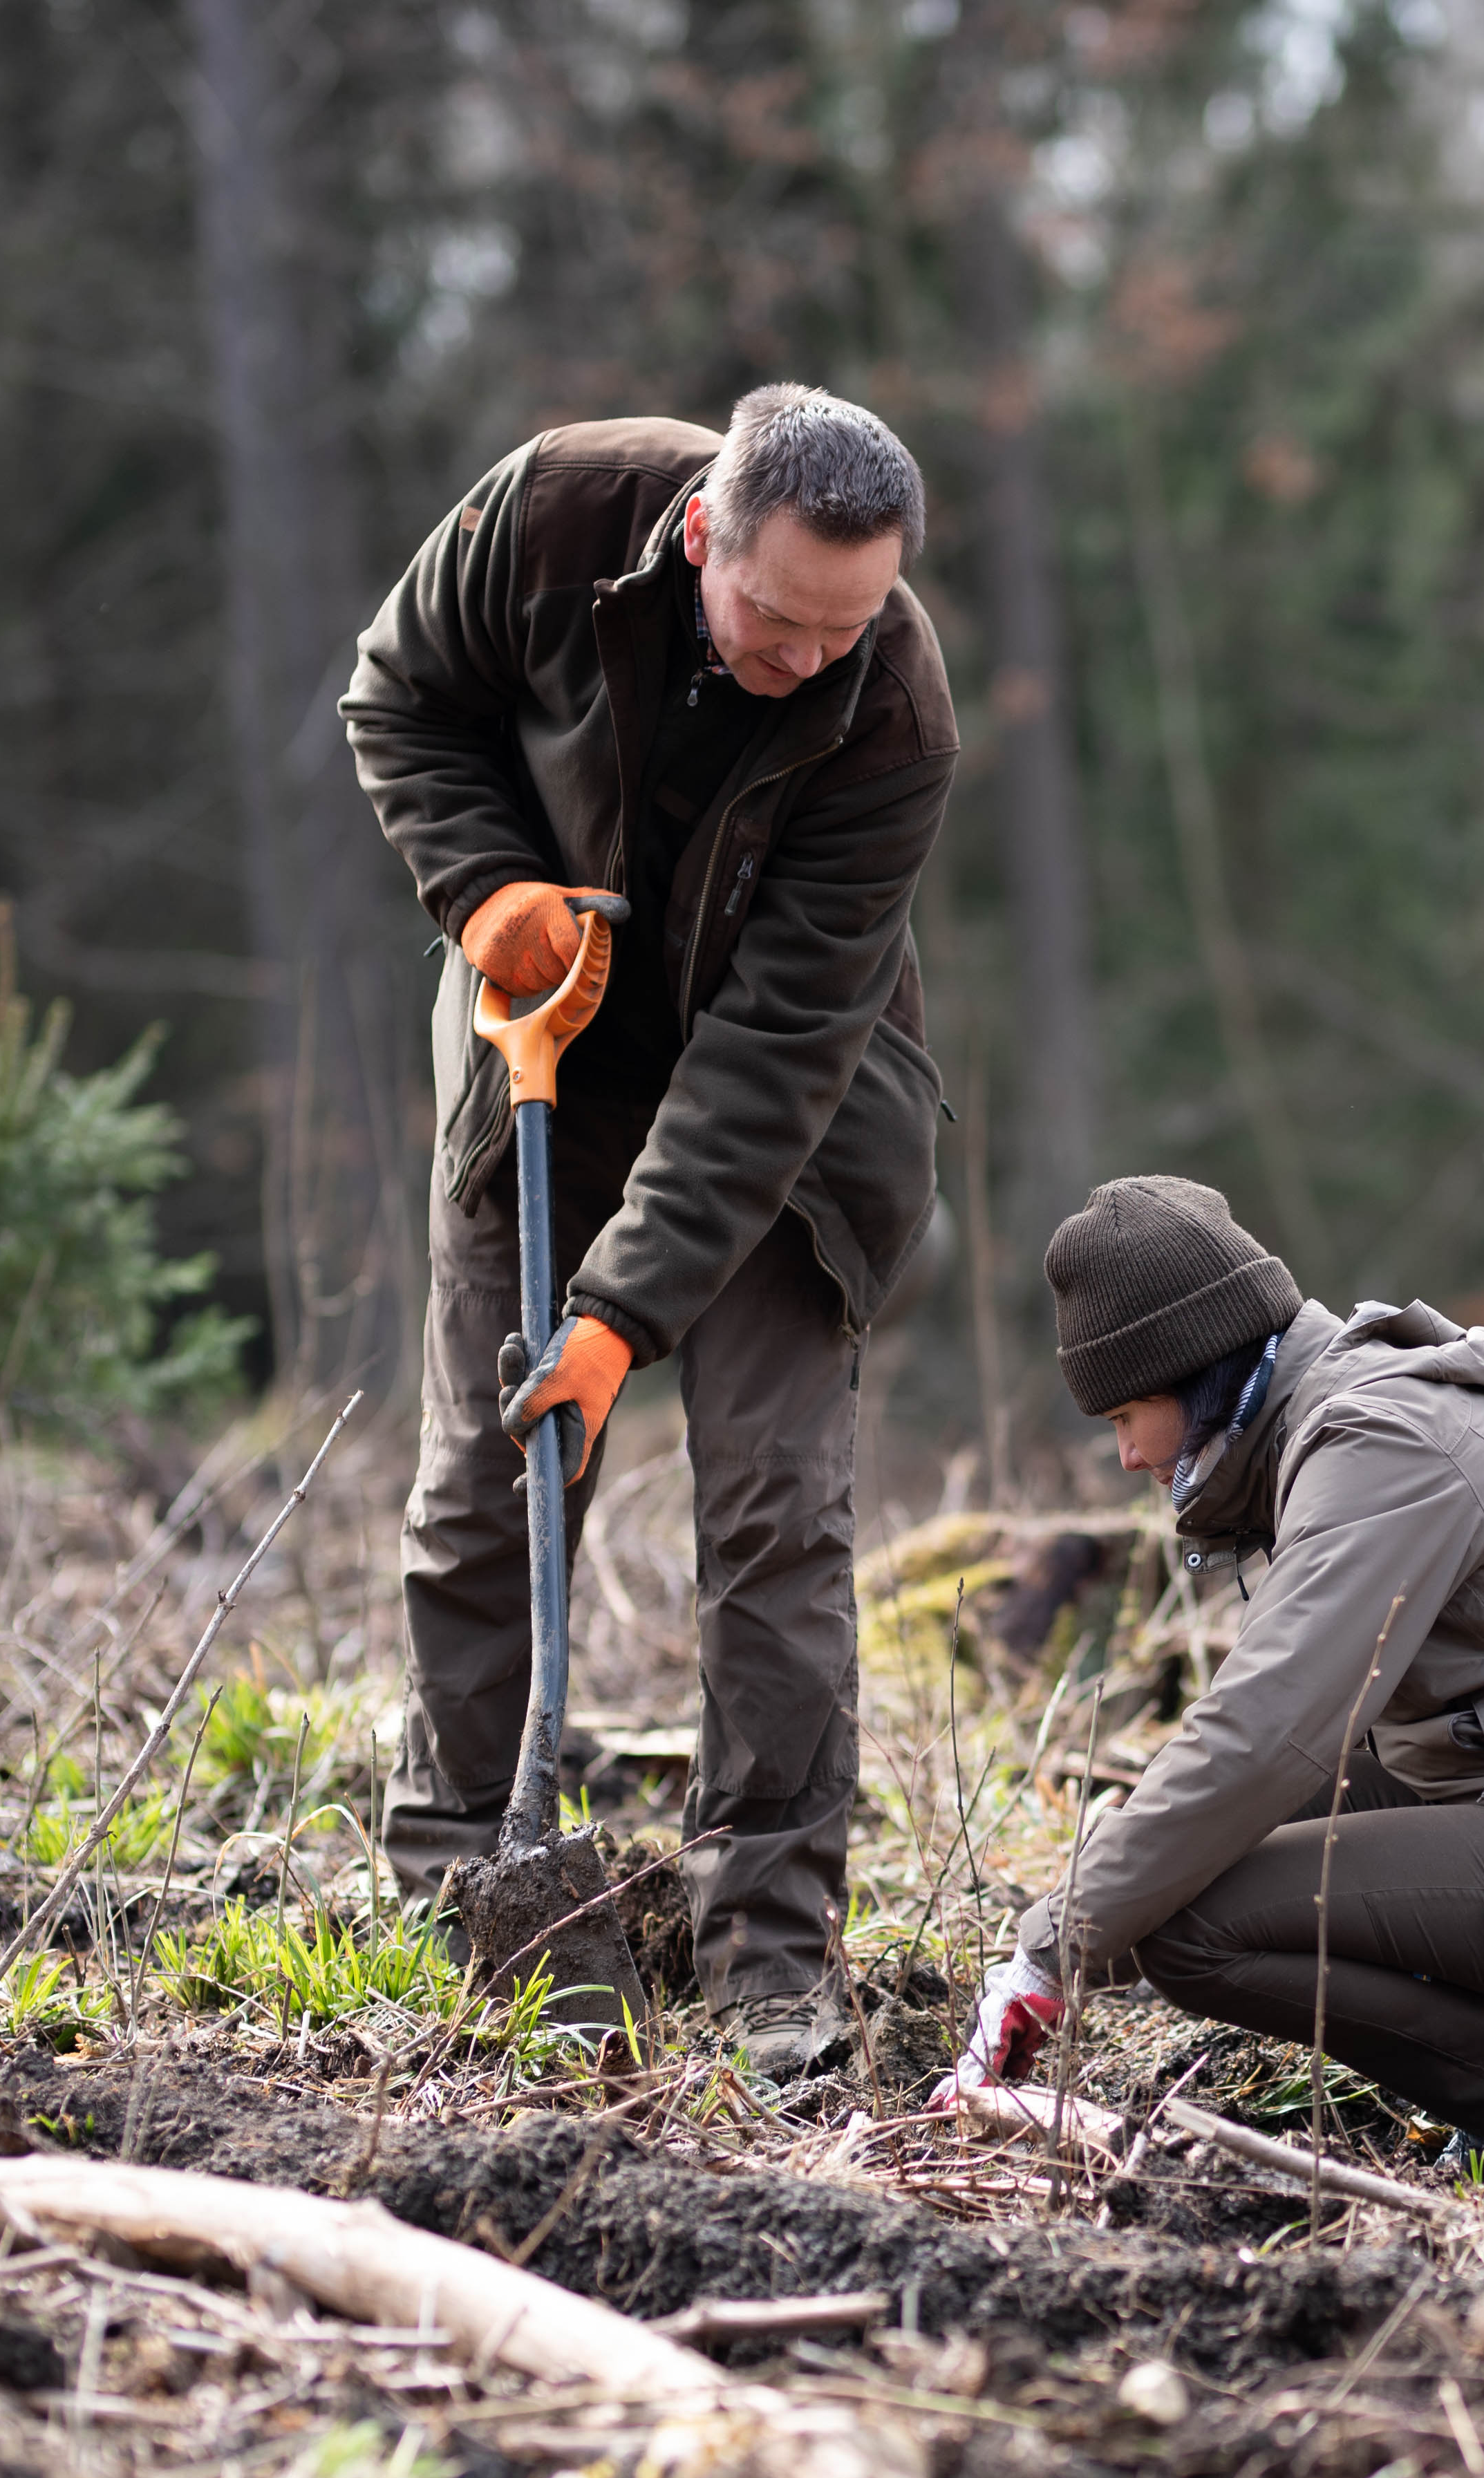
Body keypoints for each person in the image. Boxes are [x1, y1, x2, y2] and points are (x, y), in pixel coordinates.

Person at [343, 384, 956, 2072]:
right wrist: (482, 888)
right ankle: (464, 1866)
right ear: (702, 535)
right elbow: (395, 697)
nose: (804, 660)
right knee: (488, 1475)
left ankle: (768, 1944)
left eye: (844, 627)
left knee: (773, 1513)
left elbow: (773, 1057)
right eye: (774, 617)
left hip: (789, 1123)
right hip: (546, 1039)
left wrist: (618, 1316)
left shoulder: (890, 705)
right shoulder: (552, 516)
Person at [940, 1177, 1484, 2157]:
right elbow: (1282, 1758)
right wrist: (1096, 1904)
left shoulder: (1374, 1438)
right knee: (1172, 1881)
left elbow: (1267, 1733)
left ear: (1199, 1371)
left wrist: (1057, 1948)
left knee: (1189, 1929)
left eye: (1127, 1414)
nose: (1127, 1455)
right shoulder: (1341, 1426)